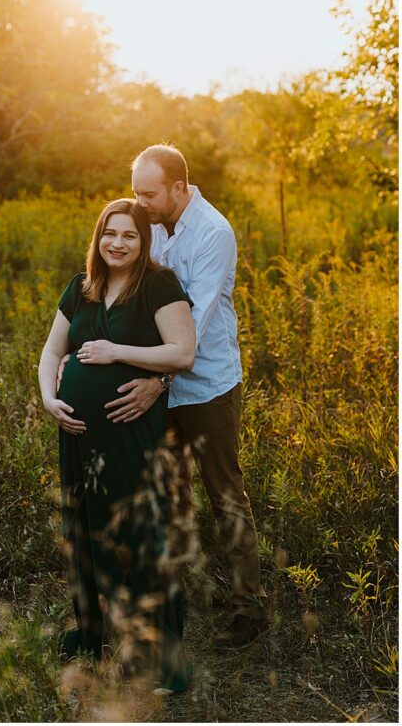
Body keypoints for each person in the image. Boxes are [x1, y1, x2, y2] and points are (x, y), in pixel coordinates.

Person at [104, 144, 267, 649]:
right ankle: (172, 596)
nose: (141, 203)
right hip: (159, 385)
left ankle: (249, 610)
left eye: (149, 194)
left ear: (179, 187)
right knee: (167, 492)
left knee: (224, 494)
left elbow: (191, 327)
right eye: (137, 193)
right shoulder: (150, 220)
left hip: (207, 386)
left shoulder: (213, 234)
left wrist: (160, 381)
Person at [39, 198, 196, 694]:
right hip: (78, 435)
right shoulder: (82, 287)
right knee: (86, 529)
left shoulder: (159, 285)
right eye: (111, 233)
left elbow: (183, 352)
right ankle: (96, 633)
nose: (118, 244)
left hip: (131, 431)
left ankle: (162, 661)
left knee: (142, 532)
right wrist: (48, 398)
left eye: (129, 235)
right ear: (98, 236)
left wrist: (115, 352)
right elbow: (51, 350)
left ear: (142, 240)